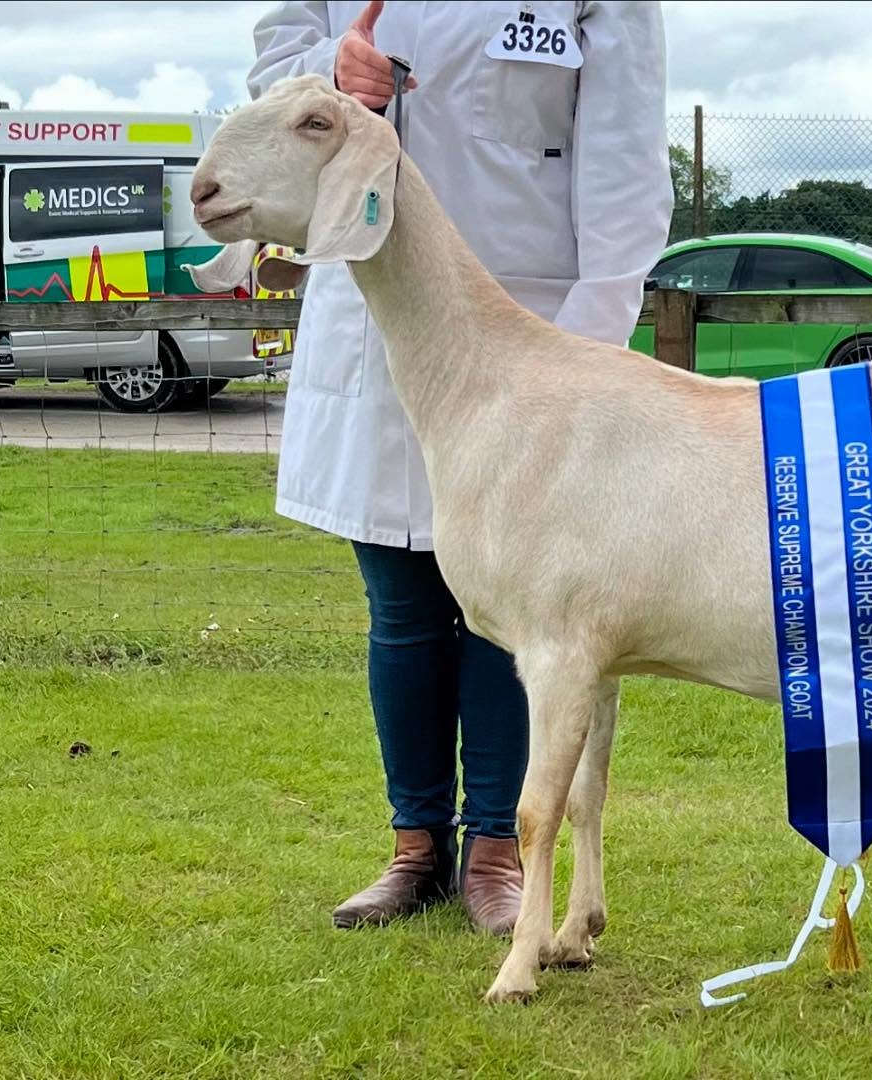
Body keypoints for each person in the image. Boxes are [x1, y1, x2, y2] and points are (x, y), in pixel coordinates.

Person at [247, 1, 673, 932]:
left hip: (530, 321)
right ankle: (415, 845)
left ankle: (496, 851)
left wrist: (590, 344)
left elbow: (625, 159)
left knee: (516, 611)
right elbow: (274, 64)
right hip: (377, 316)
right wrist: (331, 67)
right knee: (400, 602)